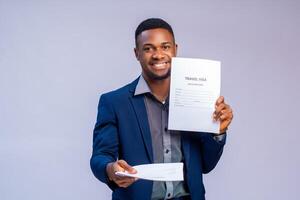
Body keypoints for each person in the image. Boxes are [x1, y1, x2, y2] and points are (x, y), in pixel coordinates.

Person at [90, 18, 233, 200]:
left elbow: (206, 165)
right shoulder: (114, 102)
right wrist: (111, 169)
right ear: (137, 53)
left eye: (165, 47)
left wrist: (218, 132)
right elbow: (100, 156)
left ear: (175, 49)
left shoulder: (197, 98)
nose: (158, 55)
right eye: (148, 48)